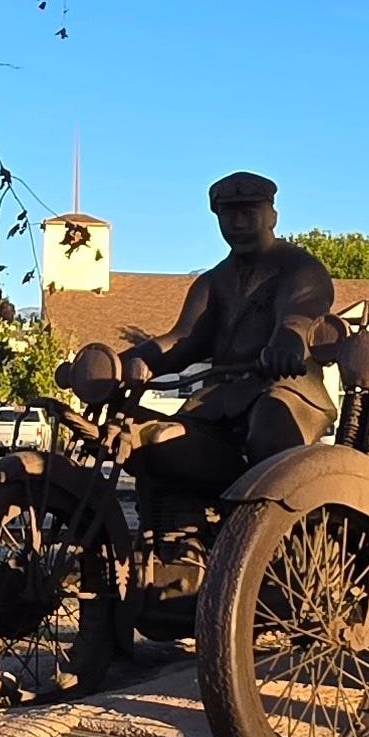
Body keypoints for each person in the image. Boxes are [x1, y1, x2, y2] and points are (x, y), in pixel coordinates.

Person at [119, 172, 338, 495]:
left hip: (287, 390)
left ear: (272, 216)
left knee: (270, 429)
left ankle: (274, 532)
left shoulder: (299, 268)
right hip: (219, 398)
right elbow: (183, 339)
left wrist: (288, 342)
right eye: (228, 214)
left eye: (248, 212)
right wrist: (134, 360)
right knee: (157, 441)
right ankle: (176, 533)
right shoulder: (213, 282)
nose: (237, 223)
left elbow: (301, 311)